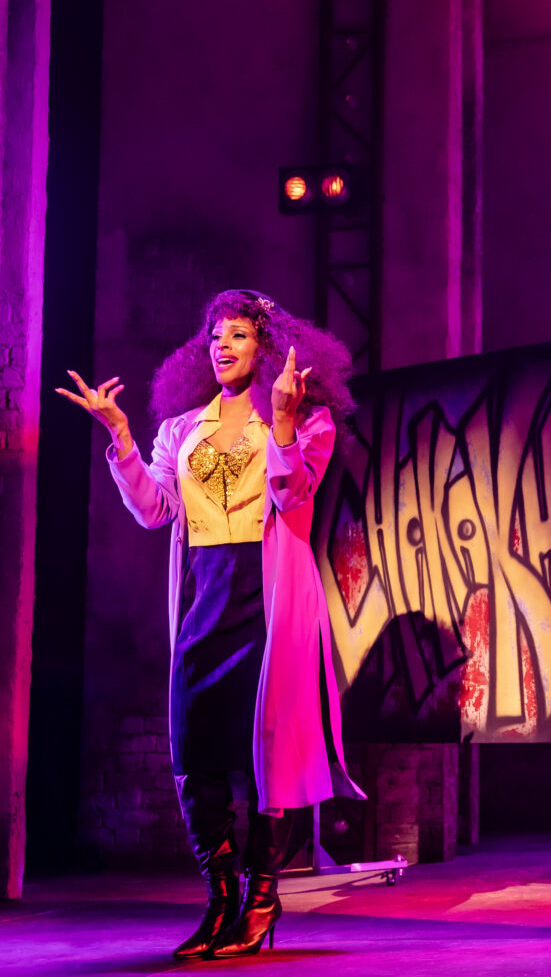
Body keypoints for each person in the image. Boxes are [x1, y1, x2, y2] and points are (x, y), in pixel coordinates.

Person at [57, 289, 365, 960]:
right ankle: (219, 901)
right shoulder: (181, 429)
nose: (222, 346)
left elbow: (291, 492)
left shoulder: (306, 421)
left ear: (268, 346)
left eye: (238, 335)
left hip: (268, 598)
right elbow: (153, 510)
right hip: (205, 595)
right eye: (215, 336)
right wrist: (120, 437)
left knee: (266, 758)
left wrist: (281, 421)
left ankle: (262, 900)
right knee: (196, 754)